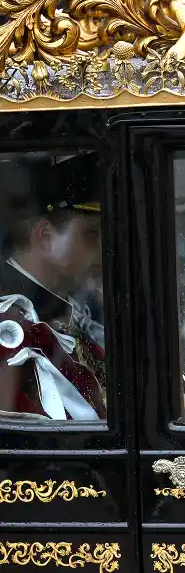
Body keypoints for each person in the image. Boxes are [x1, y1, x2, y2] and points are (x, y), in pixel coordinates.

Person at [0, 153, 106, 420]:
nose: (104, 249)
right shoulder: (10, 332)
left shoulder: (70, 314)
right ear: (46, 236)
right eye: (92, 234)